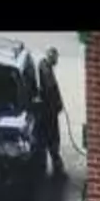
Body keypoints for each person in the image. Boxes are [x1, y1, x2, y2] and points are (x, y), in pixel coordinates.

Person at [38, 47, 65, 180]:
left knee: (50, 136)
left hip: (49, 111)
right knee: (52, 137)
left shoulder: (44, 67)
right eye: (55, 58)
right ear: (51, 57)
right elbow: (50, 91)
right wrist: (57, 105)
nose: (57, 60)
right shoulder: (46, 71)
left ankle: (53, 160)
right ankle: (55, 162)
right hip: (49, 112)